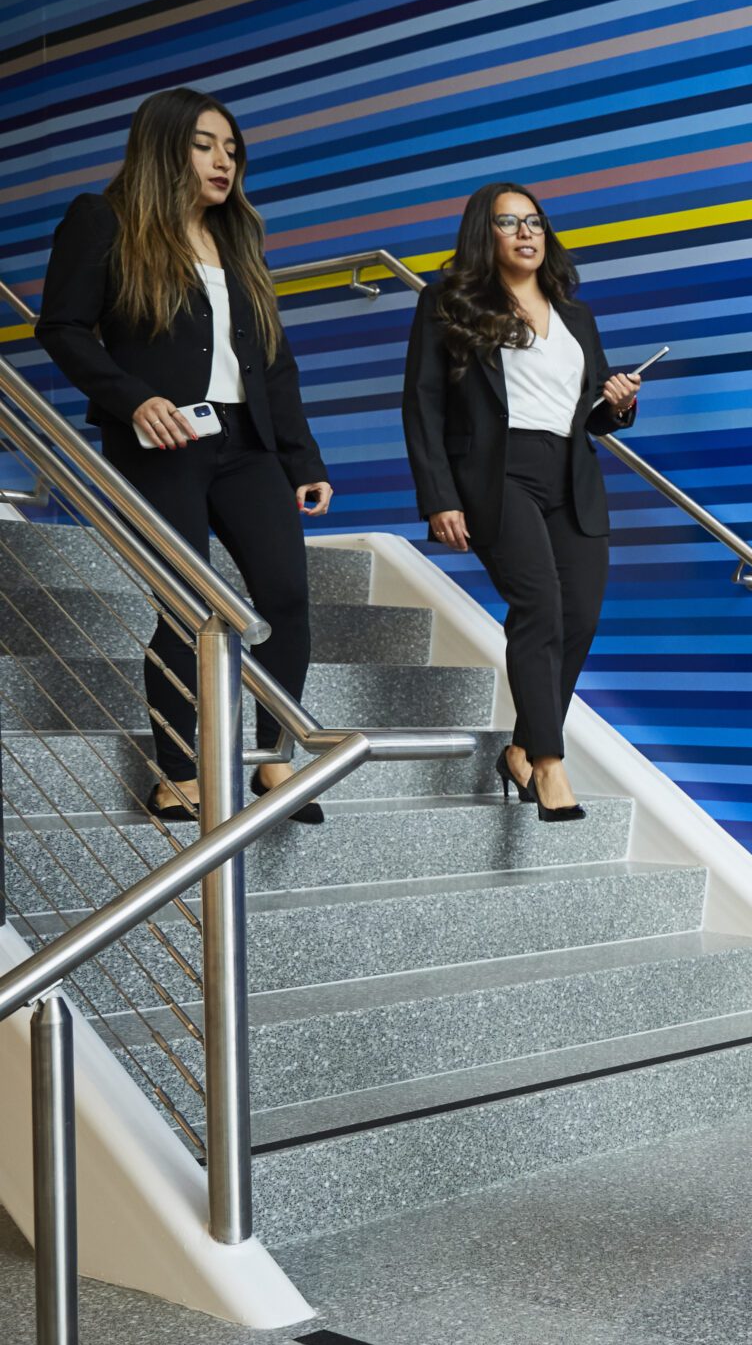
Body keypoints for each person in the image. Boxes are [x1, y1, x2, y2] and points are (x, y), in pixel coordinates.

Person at [35, 87, 332, 825]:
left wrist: (303, 459)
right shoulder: (102, 219)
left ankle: (276, 759)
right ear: (166, 145)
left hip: (248, 443)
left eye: (232, 148)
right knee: (187, 605)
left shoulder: (237, 238)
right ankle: (175, 770)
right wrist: (131, 396)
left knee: (286, 599)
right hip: (161, 441)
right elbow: (63, 327)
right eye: (205, 144)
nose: (224, 160)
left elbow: (273, 357)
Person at [401, 182, 640, 822]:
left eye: (534, 221)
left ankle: (522, 747)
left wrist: (617, 405)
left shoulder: (576, 315)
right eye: (509, 223)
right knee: (539, 605)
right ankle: (550, 764)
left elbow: (586, 415)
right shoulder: (447, 303)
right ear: (487, 233)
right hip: (497, 473)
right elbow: (422, 403)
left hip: (570, 473)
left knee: (580, 618)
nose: (527, 233)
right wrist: (438, 497)